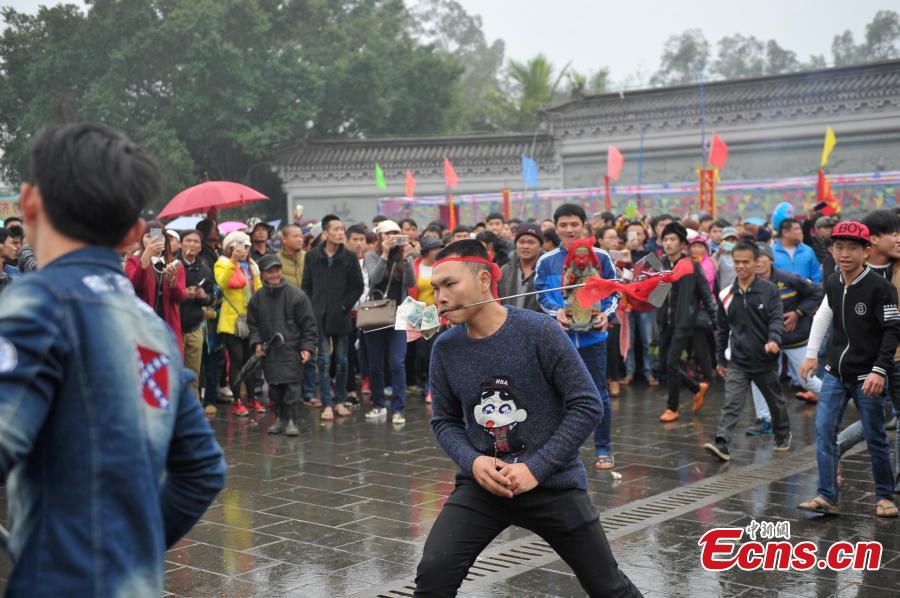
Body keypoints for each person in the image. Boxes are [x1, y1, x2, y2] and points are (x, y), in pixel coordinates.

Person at [0, 122, 224, 596]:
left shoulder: (36, 305)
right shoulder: (153, 330)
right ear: (136, 233)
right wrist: (128, 547)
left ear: (31, 204)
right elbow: (202, 469)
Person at [416, 239, 642, 598]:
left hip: (553, 483)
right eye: (436, 287)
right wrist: (473, 462)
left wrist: (536, 468)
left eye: (450, 284)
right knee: (433, 576)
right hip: (482, 486)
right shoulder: (445, 348)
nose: (439, 297)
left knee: (607, 586)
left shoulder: (539, 331)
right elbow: (444, 421)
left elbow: (586, 405)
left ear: (485, 281)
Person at [798, 221, 900, 517]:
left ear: (866, 252)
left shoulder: (880, 288)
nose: (844, 253)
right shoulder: (832, 280)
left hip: (868, 375)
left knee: (875, 434)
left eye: (852, 248)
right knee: (824, 431)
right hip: (834, 373)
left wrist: (879, 371)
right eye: (839, 247)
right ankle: (826, 495)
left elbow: (893, 331)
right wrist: (811, 354)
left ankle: (884, 496)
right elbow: (824, 315)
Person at [535, 204, 618, 470]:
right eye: (563, 225)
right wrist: (556, 312)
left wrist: (606, 314)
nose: (569, 230)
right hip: (560, 340)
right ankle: (565, 450)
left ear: (584, 226)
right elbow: (541, 296)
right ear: (555, 227)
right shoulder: (546, 261)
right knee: (558, 396)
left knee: (598, 393)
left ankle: (603, 448)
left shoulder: (601, 257)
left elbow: (614, 291)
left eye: (574, 224)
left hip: (594, 339)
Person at [704, 241, 792, 461]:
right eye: (737, 262)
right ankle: (722, 443)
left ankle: (782, 434)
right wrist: (720, 360)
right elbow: (722, 329)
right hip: (738, 360)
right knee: (732, 403)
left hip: (765, 359)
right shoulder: (726, 294)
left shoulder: (770, 290)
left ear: (756, 263)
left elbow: (776, 319)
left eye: (746, 262)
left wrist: (774, 340)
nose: (741, 266)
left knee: (776, 402)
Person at [248, 254, 318, 436]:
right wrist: (256, 342)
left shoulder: (297, 295)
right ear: (263, 274)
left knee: (292, 389)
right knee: (274, 389)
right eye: (269, 271)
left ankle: (292, 420)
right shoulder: (257, 298)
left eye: (276, 270)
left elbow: (309, 325)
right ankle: (280, 419)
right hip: (270, 351)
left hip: (291, 349)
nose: (274, 274)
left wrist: (307, 347)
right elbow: (252, 323)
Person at [302, 214, 364, 421]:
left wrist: (344, 305)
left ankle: (340, 400)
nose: (340, 232)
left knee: (343, 361)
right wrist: (312, 308)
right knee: (323, 360)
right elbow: (306, 286)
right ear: (325, 233)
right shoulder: (312, 256)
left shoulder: (349, 257)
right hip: (319, 315)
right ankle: (327, 403)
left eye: (342, 229)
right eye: (336, 229)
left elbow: (358, 286)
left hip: (341, 315)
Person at [656, 222, 718, 422]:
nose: (668, 243)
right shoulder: (660, 264)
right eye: (665, 239)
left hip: (683, 322)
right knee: (663, 364)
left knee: (672, 363)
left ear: (682, 244)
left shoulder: (691, 265)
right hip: (664, 321)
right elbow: (656, 295)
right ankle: (695, 387)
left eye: (672, 239)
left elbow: (706, 295)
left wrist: (716, 322)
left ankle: (672, 407)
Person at [364, 219, 416, 424]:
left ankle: (398, 409)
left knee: (397, 363)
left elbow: (410, 282)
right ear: (379, 237)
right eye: (387, 234)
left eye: (395, 234)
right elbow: (374, 279)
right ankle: (378, 405)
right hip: (375, 315)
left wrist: (408, 259)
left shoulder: (403, 256)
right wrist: (384, 255)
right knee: (375, 365)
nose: (391, 238)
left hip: (397, 316)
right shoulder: (371, 255)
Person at [215, 230, 263, 417]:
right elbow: (223, 282)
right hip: (232, 322)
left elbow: (258, 290)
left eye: (246, 246)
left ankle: (251, 399)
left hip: (251, 320)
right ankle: (236, 401)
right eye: (238, 245)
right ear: (229, 247)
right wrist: (233, 262)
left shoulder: (252, 265)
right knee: (237, 361)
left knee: (251, 361)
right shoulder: (222, 263)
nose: (242, 249)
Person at [126, 221, 187, 348]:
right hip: (142, 325)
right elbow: (133, 287)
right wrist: (146, 256)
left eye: (159, 236)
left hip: (167, 324)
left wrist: (171, 281)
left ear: (165, 241)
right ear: (141, 240)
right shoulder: (134, 261)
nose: (153, 240)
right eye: (148, 236)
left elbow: (181, 297)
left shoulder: (175, 264)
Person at [178, 230, 215, 413]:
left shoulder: (205, 269)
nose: (192, 244)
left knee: (194, 373)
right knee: (173, 372)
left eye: (196, 241)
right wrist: (182, 293)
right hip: (173, 326)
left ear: (201, 247)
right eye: (188, 240)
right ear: (180, 244)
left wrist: (203, 296)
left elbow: (211, 297)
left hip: (194, 326)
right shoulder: (170, 264)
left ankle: (192, 411)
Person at [409, 235, 444, 402]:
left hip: (434, 314)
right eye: (435, 248)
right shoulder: (415, 265)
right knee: (420, 353)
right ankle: (422, 381)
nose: (438, 251)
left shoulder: (441, 267)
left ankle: (432, 387)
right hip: (416, 312)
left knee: (432, 352)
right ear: (426, 251)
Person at [498, 223, 543, 312]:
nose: (525, 246)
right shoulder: (505, 270)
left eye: (531, 242)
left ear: (540, 246)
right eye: (521, 242)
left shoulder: (547, 271)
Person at [773, 218, 822, 283]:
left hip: (806, 292)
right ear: (785, 232)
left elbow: (816, 274)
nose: (800, 232)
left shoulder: (808, 250)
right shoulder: (772, 252)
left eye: (800, 229)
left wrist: (816, 289)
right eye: (796, 229)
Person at [277, 223, 306, 288]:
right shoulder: (277, 260)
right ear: (284, 239)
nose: (299, 240)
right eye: (295, 237)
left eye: (301, 236)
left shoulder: (308, 256)